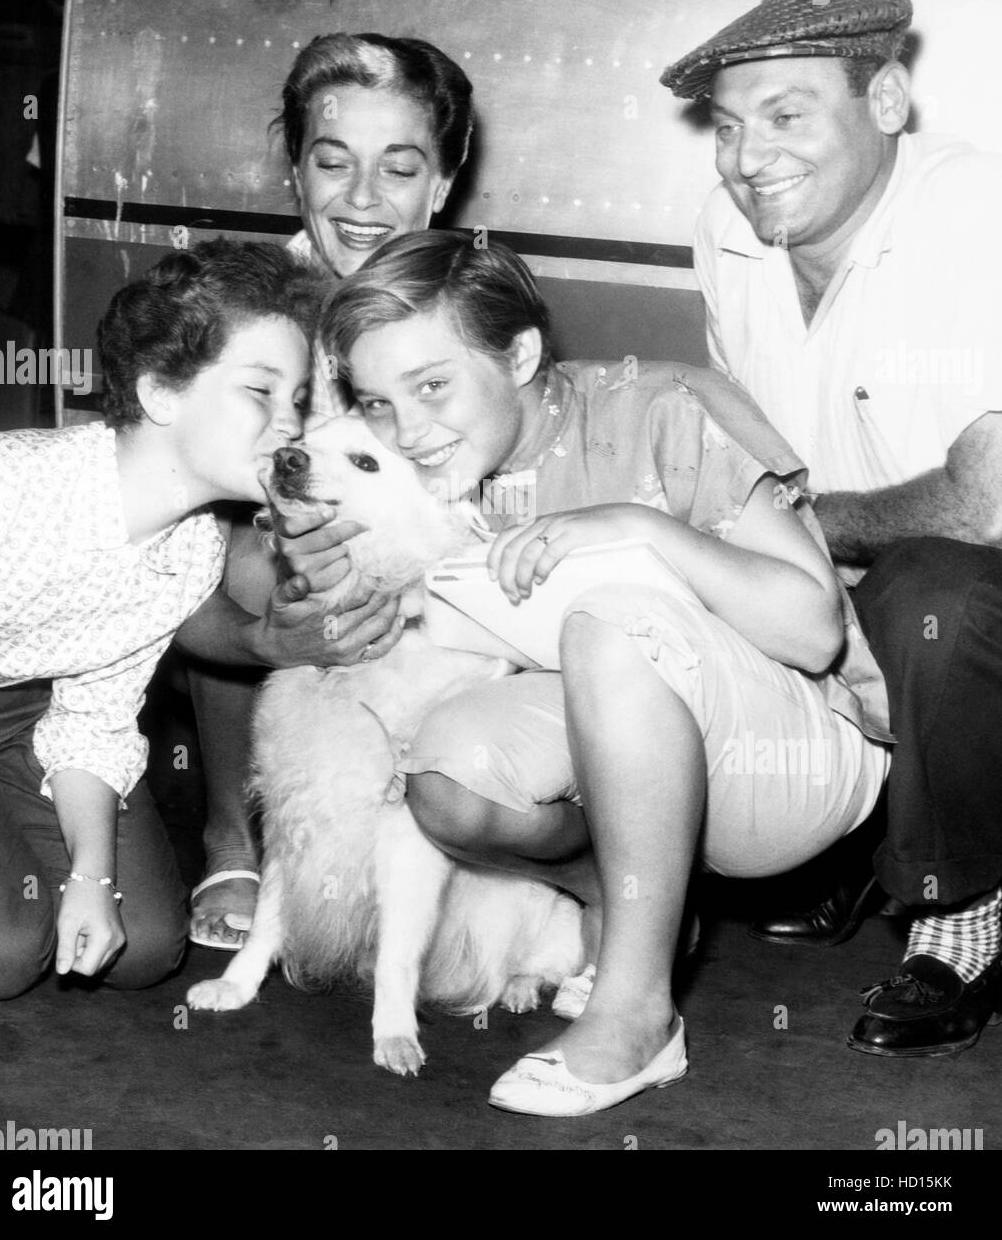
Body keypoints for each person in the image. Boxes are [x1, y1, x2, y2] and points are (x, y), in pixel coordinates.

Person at [312, 228, 891, 1115]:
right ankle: (635, 917)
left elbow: (815, 633)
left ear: (521, 352)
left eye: (432, 386)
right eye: (378, 403)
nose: (408, 430)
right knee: (446, 773)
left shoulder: (666, 406)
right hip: (639, 738)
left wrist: (641, 527)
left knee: (610, 620)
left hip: (804, 755)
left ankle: (638, 1016)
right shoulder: (453, 474)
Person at [660, 0, 1002, 1056]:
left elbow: (987, 503)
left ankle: (959, 912)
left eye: (785, 114)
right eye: (727, 125)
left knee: (929, 589)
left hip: (970, 588)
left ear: (887, 100)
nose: (746, 156)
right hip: (845, 575)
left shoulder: (974, 211)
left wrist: (796, 529)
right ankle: (854, 832)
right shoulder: (729, 226)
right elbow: (740, 436)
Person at [0, 240, 319, 998]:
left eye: (299, 400)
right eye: (261, 391)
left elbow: (93, 721)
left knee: (146, 944)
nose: (290, 425)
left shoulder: (189, 553)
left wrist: (91, 875)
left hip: (28, 716)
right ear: (161, 393)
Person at [187, 32, 477, 949]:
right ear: (295, 173)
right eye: (332, 162)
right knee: (246, 559)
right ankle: (233, 833)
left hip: (421, 591)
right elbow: (159, 526)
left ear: (442, 182)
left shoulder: (471, 303)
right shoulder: (241, 306)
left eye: (398, 167)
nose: (361, 200)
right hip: (241, 570)